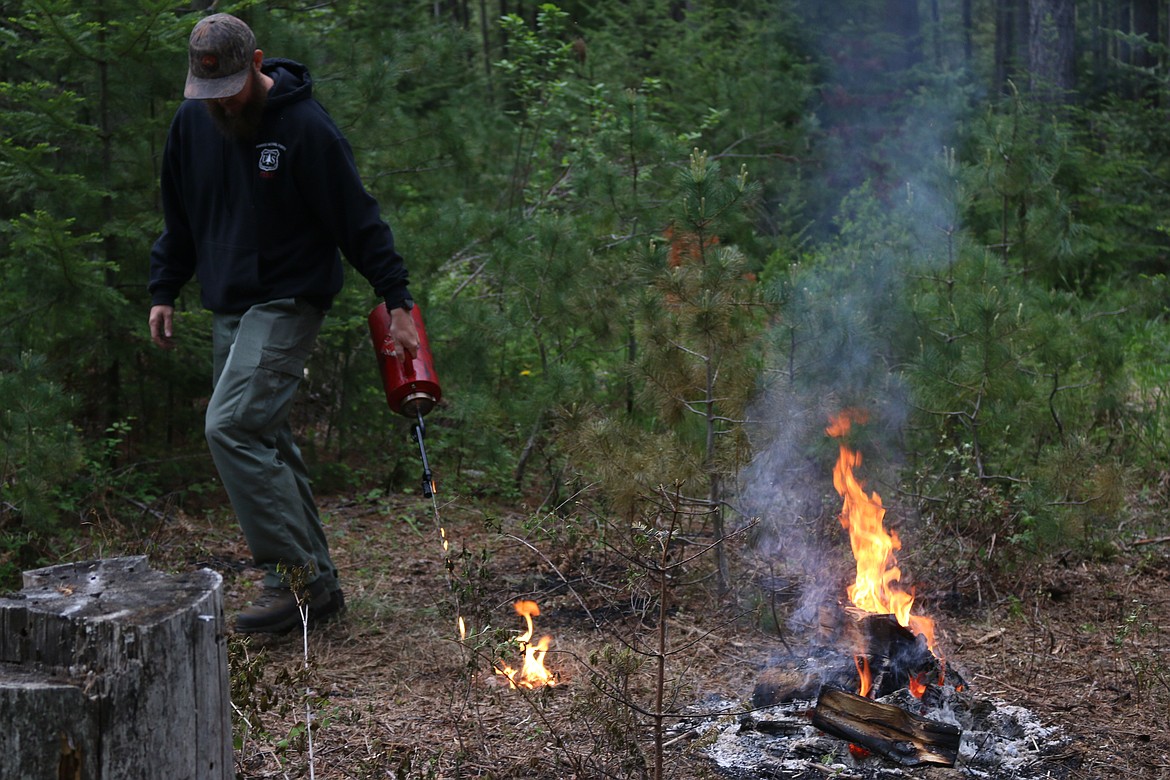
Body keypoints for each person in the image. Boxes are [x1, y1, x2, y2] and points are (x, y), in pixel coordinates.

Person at [148, 13, 419, 634]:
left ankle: (290, 578)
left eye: (230, 89)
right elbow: (180, 213)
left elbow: (359, 220)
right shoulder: (193, 120)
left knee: (232, 425)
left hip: (289, 300)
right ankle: (316, 590)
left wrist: (397, 300)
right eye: (208, 91)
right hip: (229, 304)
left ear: (258, 63)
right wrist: (165, 287)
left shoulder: (305, 128)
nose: (220, 103)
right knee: (264, 436)